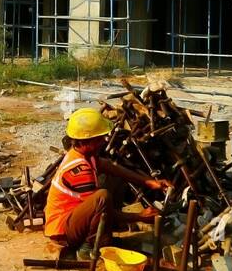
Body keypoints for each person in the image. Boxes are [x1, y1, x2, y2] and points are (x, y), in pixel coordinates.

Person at [44, 107, 173, 254]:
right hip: (62, 232)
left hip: (71, 220)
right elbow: (103, 210)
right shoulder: (79, 170)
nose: (104, 141)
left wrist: (148, 181)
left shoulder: (83, 154)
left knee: (114, 178)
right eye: (100, 138)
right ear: (88, 141)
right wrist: (139, 217)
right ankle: (89, 248)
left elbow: (110, 166)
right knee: (102, 197)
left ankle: (105, 236)